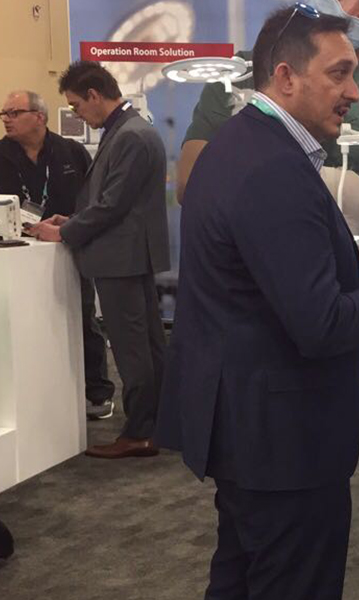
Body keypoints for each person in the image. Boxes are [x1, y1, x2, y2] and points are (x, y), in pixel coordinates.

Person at [153, 6, 359, 599]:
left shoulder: (241, 145)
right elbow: (322, 321)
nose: (354, 92)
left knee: (241, 576)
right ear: (285, 77)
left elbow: (273, 289)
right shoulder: (272, 168)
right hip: (283, 444)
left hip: (251, 430)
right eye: (338, 74)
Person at [176, 0, 359, 245]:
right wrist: (319, 187)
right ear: (284, 77)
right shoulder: (243, 74)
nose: (348, 8)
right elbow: (193, 185)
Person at [31, 61, 170, 459]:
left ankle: (140, 431)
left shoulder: (130, 135)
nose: (76, 115)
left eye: (76, 105)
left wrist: (64, 232)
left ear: (94, 95)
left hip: (121, 259)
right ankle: (157, 424)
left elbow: (112, 205)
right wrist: (72, 220)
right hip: (127, 255)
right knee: (148, 345)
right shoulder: (130, 131)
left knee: (133, 349)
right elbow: (114, 202)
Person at [0, 90, 116, 419]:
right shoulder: (1, 154)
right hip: (18, 255)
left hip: (69, 247)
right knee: (26, 323)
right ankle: (37, 394)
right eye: (4, 114)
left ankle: (97, 392)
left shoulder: (70, 152)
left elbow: (94, 199)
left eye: (14, 112)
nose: (6, 119)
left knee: (81, 316)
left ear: (39, 116)